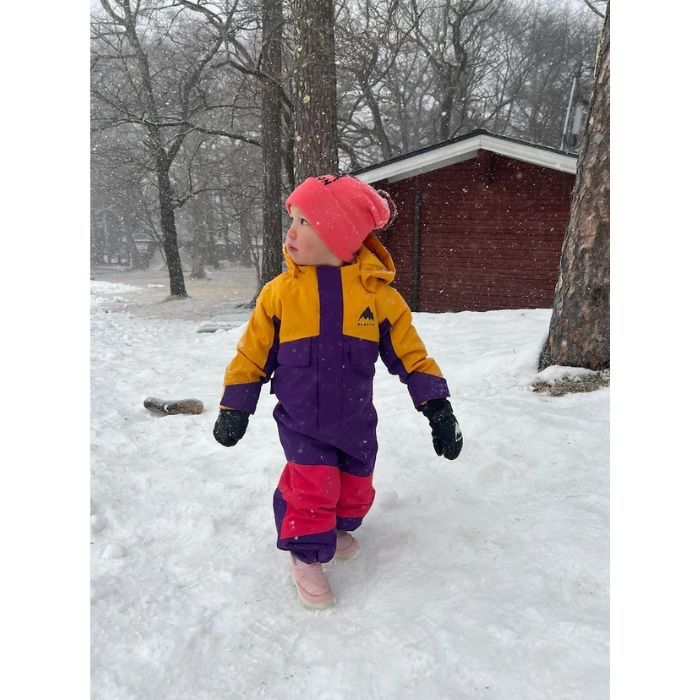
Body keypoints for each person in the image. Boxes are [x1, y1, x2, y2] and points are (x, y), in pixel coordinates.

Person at [213, 174, 463, 609]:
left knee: (355, 490)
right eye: (292, 220)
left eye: (305, 222)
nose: (291, 233)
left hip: (355, 422)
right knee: (311, 487)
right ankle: (305, 555)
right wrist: (235, 406)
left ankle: (337, 524)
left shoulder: (378, 299)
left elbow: (412, 356)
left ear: (339, 236)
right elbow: (250, 355)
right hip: (303, 423)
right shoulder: (279, 296)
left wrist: (437, 407)